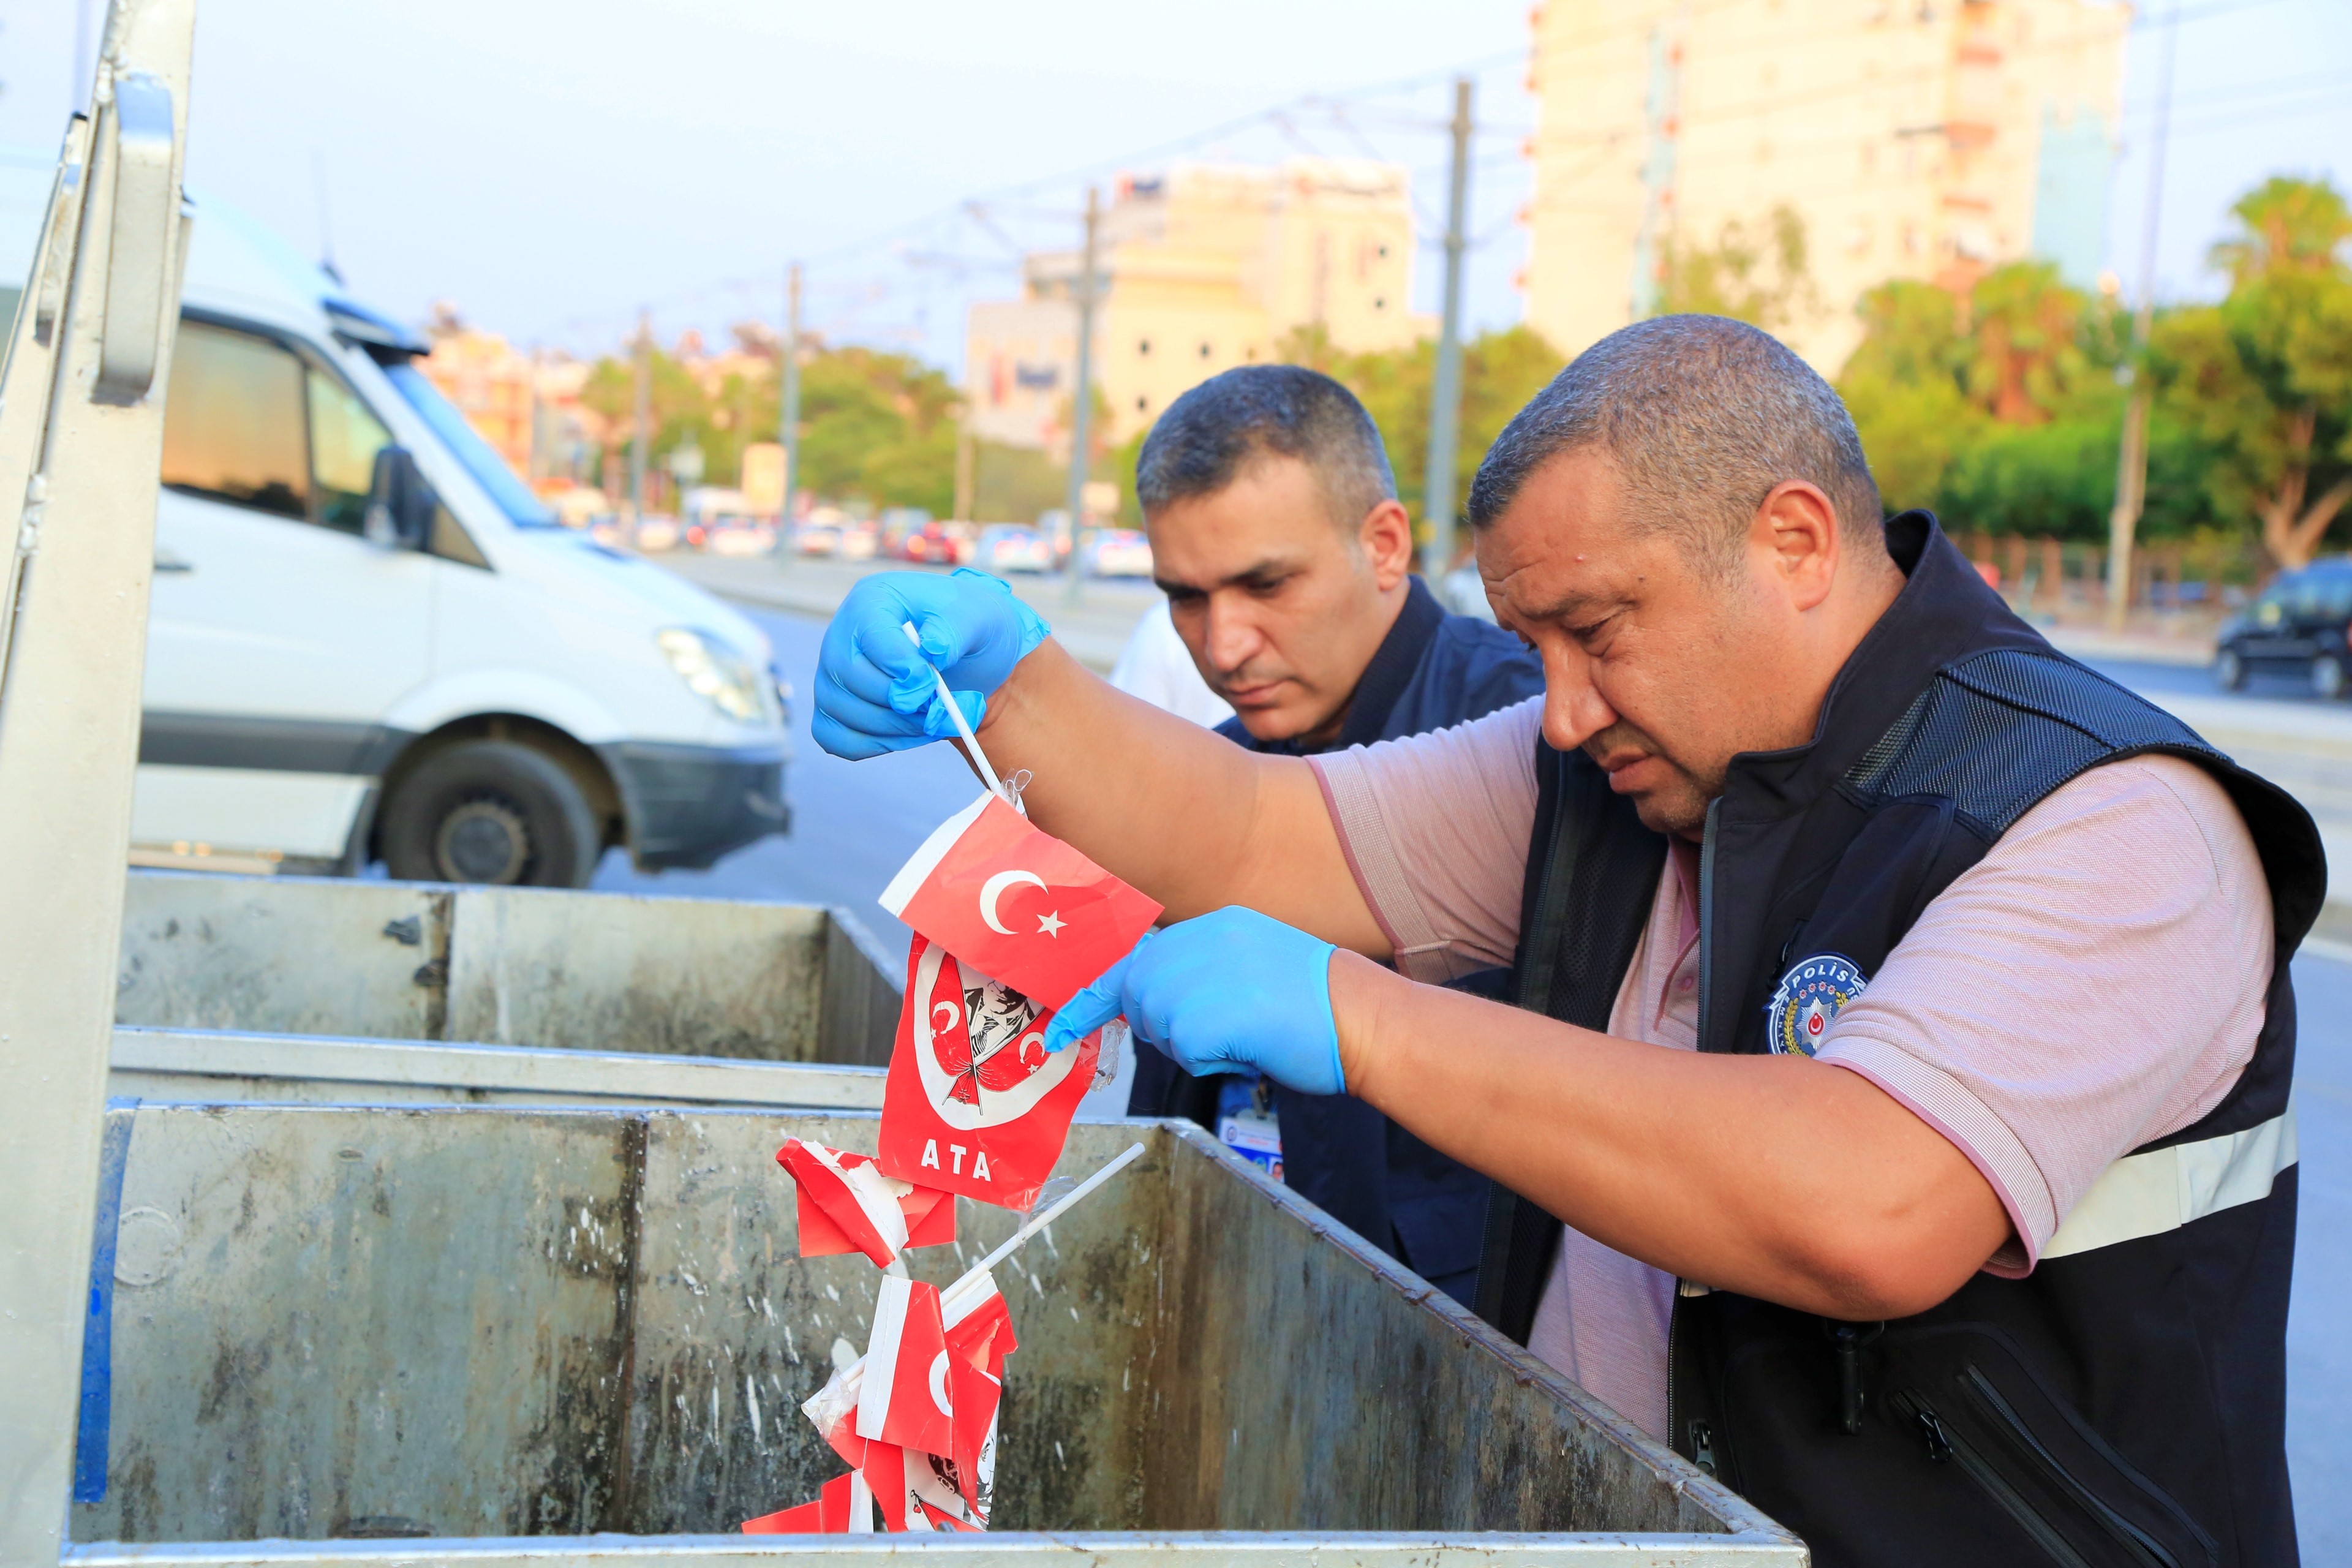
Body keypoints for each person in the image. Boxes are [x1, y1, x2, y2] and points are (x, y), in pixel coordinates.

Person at [812, 317, 2320, 1566]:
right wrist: (1011, 686)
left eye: (1600, 628)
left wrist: (1360, 1017)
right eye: (1534, 645)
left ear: (1792, 539)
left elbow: (1868, 1200)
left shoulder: (2105, 816)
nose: (1561, 706)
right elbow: (1255, 835)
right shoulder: (1615, 773)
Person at [1120, 364, 1542, 1305]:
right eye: (1185, 597)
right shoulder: (1218, 768)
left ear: (1385, 545)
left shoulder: (1539, 734)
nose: (1223, 645)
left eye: (1266, 584)